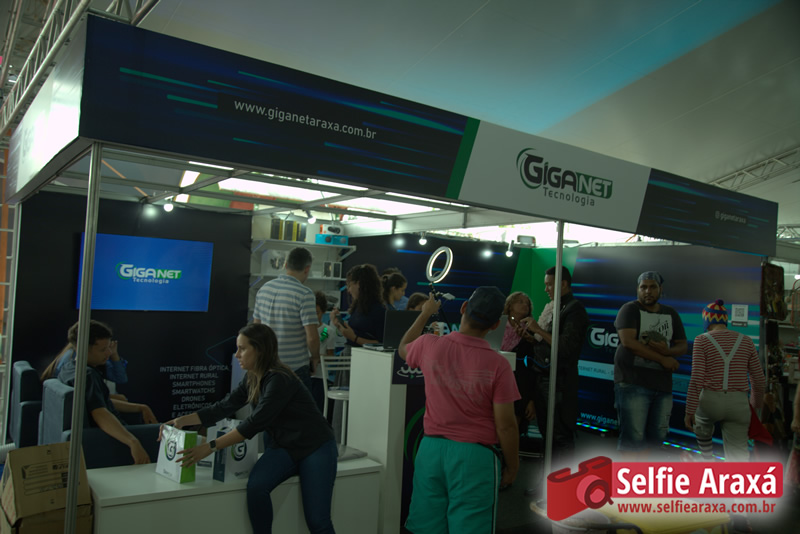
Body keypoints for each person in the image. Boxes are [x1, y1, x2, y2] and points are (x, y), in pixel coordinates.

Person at [167, 323, 337, 534]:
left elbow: (254, 424)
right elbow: (224, 406)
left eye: (242, 348)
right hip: (284, 447)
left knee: (318, 522)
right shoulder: (252, 376)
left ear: (260, 350)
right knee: (256, 488)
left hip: (316, 446)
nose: (237, 354)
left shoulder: (279, 379)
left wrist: (210, 447)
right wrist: (182, 420)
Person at [398, 288, 520, 533]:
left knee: (425, 527)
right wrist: (513, 466)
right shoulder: (498, 365)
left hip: (430, 451)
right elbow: (506, 425)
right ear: (496, 324)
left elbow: (403, 347)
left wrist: (425, 313)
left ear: (464, 308)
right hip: (475, 458)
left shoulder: (429, 345)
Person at [56, 320, 154, 464]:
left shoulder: (68, 368)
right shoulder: (88, 376)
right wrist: (132, 442)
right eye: (103, 350)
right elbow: (100, 413)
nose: (109, 353)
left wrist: (141, 407)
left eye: (109, 347)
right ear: (83, 348)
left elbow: (97, 401)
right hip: (113, 439)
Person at [520, 267, 589, 471]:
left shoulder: (574, 310)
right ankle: (548, 480)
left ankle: (564, 482)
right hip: (543, 377)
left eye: (549, 284)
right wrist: (532, 338)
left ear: (563, 284)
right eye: (545, 285)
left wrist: (538, 330)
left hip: (560, 382)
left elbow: (565, 347)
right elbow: (548, 344)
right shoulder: (555, 307)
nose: (546, 289)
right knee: (546, 432)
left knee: (560, 434)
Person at [613, 271, 686, 458]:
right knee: (633, 439)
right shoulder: (629, 309)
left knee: (657, 439)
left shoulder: (671, 313)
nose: (648, 291)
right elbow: (628, 342)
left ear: (660, 289)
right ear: (637, 289)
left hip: (662, 386)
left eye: (652, 287)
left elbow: (682, 345)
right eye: (643, 287)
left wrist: (667, 352)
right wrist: (663, 359)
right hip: (633, 383)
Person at [684, 299, 765, 461]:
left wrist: (689, 410)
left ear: (707, 320)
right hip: (739, 403)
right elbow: (758, 379)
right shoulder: (746, 341)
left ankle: (708, 459)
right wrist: (755, 407)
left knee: (702, 429)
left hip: (710, 400)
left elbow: (697, 378)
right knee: (738, 458)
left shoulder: (701, 340)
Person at [253, 246, 320, 392]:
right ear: (307, 269)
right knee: (299, 407)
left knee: (267, 405)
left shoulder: (264, 289)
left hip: (266, 365)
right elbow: (312, 337)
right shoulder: (305, 294)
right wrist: (315, 357)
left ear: (285, 264)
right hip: (295, 368)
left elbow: (256, 329)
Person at [500, 292, 536, 430]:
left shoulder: (533, 330)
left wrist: (531, 399)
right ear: (510, 305)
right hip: (497, 380)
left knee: (512, 428)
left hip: (520, 386)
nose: (525, 305)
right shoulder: (497, 325)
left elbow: (532, 368)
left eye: (527, 303)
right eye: (520, 301)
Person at [330, 264, 386, 346]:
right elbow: (354, 332)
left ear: (358, 284)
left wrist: (354, 338)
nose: (348, 290)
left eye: (349, 285)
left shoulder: (378, 311)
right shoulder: (359, 307)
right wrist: (338, 324)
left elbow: (382, 344)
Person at [312, 291, 336, 413]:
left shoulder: (327, 330)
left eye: (317, 313)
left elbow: (330, 356)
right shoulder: (301, 330)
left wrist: (318, 358)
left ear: (323, 312)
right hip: (303, 376)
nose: (313, 316)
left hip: (320, 377)